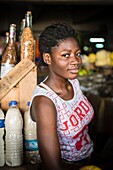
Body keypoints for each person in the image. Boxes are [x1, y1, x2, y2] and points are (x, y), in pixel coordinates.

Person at [30, 22, 94, 170]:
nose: (76, 61)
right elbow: (53, 166)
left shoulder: (74, 83)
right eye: (66, 55)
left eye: (77, 54)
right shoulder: (45, 101)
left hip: (90, 158)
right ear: (47, 58)